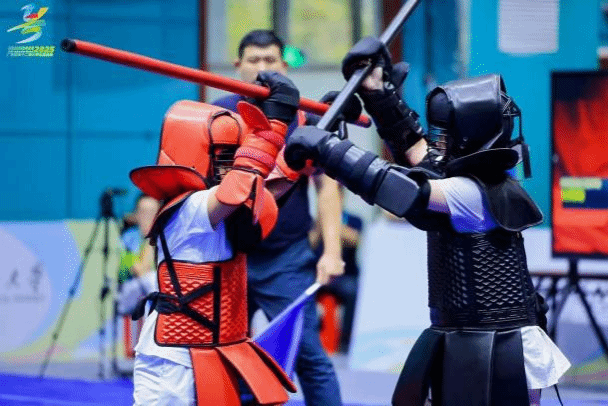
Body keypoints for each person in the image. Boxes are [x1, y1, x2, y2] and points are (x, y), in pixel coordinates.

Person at [285, 37, 571, 406]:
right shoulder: (473, 178)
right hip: (468, 333)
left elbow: (405, 190)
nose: (438, 143)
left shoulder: (473, 192)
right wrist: (379, 93)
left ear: (467, 136)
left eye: (445, 133)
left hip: (497, 345)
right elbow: (420, 154)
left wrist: (329, 149)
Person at [129, 71, 304, 405]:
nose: (229, 165)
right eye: (223, 156)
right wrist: (274, 127)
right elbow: (239, 187)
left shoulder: (215, 208)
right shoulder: (192, 207)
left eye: (233, 155)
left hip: (212, 347)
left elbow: (265, 187)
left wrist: (303, 146)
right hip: (174, 357)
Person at [212, 29, 344, 406]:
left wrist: (332, 252)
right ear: (237, 65)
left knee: (309, 355)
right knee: (222, 354)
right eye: (253, 60)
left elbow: (327, 186)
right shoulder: (218, 115)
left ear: (284, 65)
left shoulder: (305, 118)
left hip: (286, 258)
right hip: (228, 255)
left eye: (270, 60)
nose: (262, 68)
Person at [309, 186, 362, 354]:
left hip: (344, 276)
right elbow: (310, 244)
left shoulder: (354, 219)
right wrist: (321, 224)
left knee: (353, 292)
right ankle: (308, 338)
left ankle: (346, 341)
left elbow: (355, 239)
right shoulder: (313, 221)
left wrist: (331, 223)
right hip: (318, 275)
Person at [116, 194, 160, 316]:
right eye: (143, 212)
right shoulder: (128, 237)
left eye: (152, 212)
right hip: (128, 292)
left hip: (151, 293)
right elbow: (139, 270)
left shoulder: (165, 236)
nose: (148, 217)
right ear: (136, 215)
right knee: (151, 278)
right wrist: (150, 239)